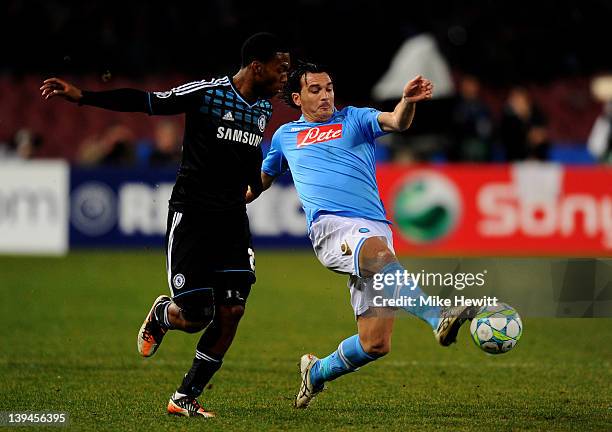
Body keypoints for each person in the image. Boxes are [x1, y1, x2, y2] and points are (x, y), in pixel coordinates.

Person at [40, 32, 290, 418]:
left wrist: (255, 185)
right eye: (281, 67)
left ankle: (185, 397)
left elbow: (247, 151)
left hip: (231, 220)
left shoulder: (262, 107)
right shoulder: (208, 92)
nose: (285, 75)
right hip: (192, 215)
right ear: (257, 66)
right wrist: (85, 97)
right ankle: (162, 315)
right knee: (196, 315)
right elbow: (147, 102)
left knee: (232, 311)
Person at [248, 61, 476, 408]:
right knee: (378, 255)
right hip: (332, 227)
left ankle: (317, 371)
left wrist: (408, 102)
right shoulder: (285, 137)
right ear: (297, 98)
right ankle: (437, 316)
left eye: (329, 88)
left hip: (375, 229)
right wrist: (222, 204)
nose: (325, 95)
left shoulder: (354, 118)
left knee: (375, 344)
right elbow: (258, 184)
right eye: (315, 90)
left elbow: (396, 121)